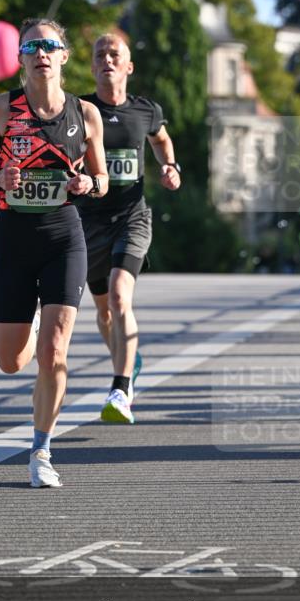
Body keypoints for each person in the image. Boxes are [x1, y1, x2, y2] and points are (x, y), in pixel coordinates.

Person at [0, 18, 108, 488]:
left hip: (64, 237)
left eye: (50, 45)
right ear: (22, 58)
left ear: (64, 55)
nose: (41, 53)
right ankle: (32, 330)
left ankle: (41, 450)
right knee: (11, 360)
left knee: (55, 352)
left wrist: (89, 182)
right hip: (14, 238)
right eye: (32, 47)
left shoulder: (85, 114)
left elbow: (102, 179)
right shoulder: (2, 109)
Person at [78, 32, 181, 424]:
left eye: (114, 53)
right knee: (104, 312)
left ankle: (121, 389)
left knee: (121, 296)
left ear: (128, 66)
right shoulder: (81, 109)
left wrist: (170, 166)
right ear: (91, 66)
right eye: (99, 54)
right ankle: (128, 359)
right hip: (89, 221)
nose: (106, 59)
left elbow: (162, 140)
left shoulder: (146, 110)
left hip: (132, 216)